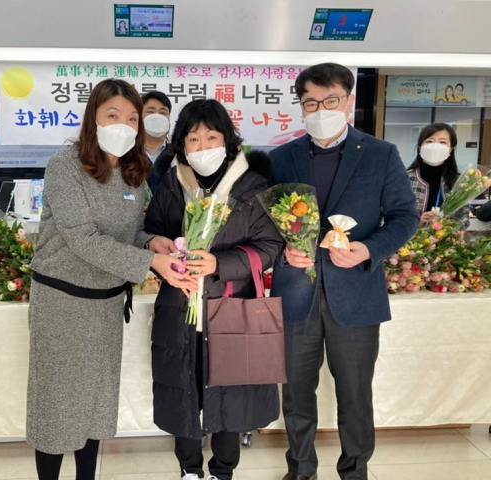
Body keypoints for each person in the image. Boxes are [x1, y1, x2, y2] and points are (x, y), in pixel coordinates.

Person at [26, 78, 190, 480]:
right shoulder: (66, 165)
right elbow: (82, 237)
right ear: (93, 119)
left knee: (96, 401)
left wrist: (153, 243)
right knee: (57, 405)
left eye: (132, 117)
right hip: (62, 303)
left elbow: (128, 233)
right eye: (112, 115)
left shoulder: (135, 171)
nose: (124, 124)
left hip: (106, 302)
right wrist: (149, 265)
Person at [268, 63, 419, 480]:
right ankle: (300, 470)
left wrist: (368, 250)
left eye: (330, 100)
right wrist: (283, 252)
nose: (321, 109)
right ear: (300, 107)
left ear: (349, 101)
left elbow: (406, 217)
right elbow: (265, 226)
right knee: (296, 395)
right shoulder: (281, 158)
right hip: (295, 295)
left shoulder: (380, 153)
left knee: (354, 394)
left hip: (355, 293)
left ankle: (355, 471)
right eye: (310, 102)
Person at [145, 99, 283, 480]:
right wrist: (154, 243)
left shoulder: (252, 187)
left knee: (230, 393)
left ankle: (223, 470)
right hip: (180, 306)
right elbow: (149, 229)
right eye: (193, 138)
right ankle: (190, 469)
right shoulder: (172, 184)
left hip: (231, 307)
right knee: (182, 389)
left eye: (211, 136)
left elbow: (270, 247)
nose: (202, 146)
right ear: (181, 145)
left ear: (228, 140)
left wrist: (220, 264)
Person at [407, 123, 468, 227]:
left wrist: (446, 225)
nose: (435, 146)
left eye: (442, 142)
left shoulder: (458, 181)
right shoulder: (404, 178)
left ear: (450, 149)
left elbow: (464, 219)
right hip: (408, 241)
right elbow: (390, 216)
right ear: (420, 147)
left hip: (445, 241)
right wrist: (417, 222)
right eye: (429, 141)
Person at [142, 91, 174, 194]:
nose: (157, 117)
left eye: (163, 112)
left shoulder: (178, 154)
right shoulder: (127, 153)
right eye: (151, 112)